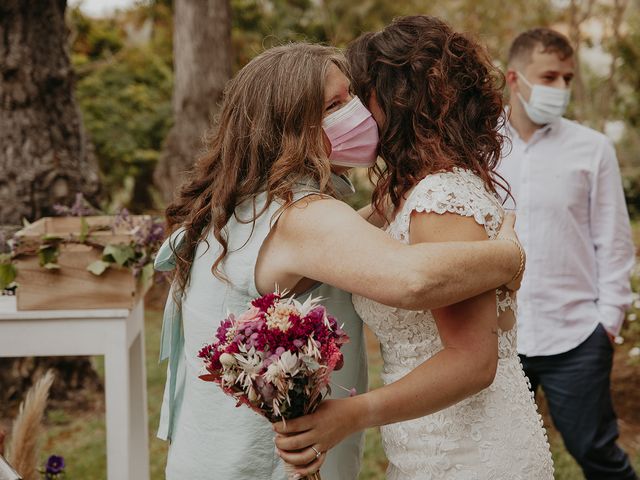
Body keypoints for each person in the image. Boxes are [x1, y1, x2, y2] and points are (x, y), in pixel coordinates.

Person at [155, 42, 525, 479]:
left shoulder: (243, 207)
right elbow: (414, 280)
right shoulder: (304, 216)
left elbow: (335, 244)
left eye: (352, 96)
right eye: (336, 104)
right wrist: (509, 254)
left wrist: (387, 203)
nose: (359, 112)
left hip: (205, 457)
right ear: (290, 125)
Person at [274, 16, 553, 480]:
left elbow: (471, 362)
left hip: (471, 455)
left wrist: (351, 415)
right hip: (432, 446)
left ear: (397, 98)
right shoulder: (415, 192)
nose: (355, 114)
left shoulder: (440, 199)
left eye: (361, 96)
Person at [494, 27, 638, 479]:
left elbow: (613, 241)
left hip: (576, 336)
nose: (560, 88)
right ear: (515, 79)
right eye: (549, 76)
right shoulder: (481, 145)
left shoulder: (592, 148)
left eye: (567, 79)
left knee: (596, 452)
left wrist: (607, 324)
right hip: (497, 335)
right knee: (500, 458)